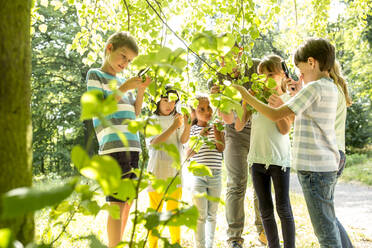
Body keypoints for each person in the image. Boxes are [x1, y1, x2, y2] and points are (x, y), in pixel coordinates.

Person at [233, 38, 351, 247]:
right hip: (323, 168)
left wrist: (245, 95)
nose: (299, 74)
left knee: (324, 232)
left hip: (314, 170)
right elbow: (303, 115)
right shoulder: (329, 87)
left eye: (300, 68)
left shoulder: (314, 89)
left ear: (312, 62)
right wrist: (293, 93)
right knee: (329, 222)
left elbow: (276, 114)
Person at [86, 31, 151, 248]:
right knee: (116, 203)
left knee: (127, 203)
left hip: (133, 146)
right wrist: (124, 88)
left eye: (130, 60)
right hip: (113, 148)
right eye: (123, 56)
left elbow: (135, 113)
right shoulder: (95, 75)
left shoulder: (125, 82)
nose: (126, 63)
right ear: (109, 48)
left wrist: (140, 90)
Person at [241, 55, 295, 248]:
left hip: (279, 161)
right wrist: (246, 101)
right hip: (257, 160)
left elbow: (284, 129)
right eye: (261, 75)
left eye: (270, 74)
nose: (265, 79)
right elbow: (239, 125)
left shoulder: (289, 97)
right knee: (265, 209)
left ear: (282, 75)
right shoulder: (255, 99)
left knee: (283, 207)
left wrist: (277, 105)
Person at [212, 55, 266, 247]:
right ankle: (234, 237)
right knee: (236, 183)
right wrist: (218, 99)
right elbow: (228, 121)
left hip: (260, 128)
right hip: (235, 132)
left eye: (229, 56)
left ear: (240, 52)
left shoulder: (256, 68)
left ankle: (263, 230)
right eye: (221, 59)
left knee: (262, 181)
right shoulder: (217, 79)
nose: (225, 62)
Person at [146, 87, 192, 248]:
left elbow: (183, 141)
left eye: (173, 101)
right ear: (157, 101)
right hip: (155, 172)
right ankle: (152, 245)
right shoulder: (151, 120)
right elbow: (153, 142)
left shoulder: (178, 118)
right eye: (165, 100)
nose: (169, 104)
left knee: (174, 213)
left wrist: (186, 126)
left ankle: (176, 244)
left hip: (174, 173)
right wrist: (173, 127)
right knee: (155, 213)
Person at [186, 95, 225, 248]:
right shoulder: (192, 130)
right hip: (197, 176)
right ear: (194, 113)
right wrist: (199, 138)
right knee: (200, 215)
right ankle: (200, 246)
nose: (207, 111)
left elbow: (221, 148)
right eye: (201, 109)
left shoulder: (218, 126)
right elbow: (188, 154)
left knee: (212, 214)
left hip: (215, 175)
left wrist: (216, 130)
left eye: (208, 107)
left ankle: (210, 244)